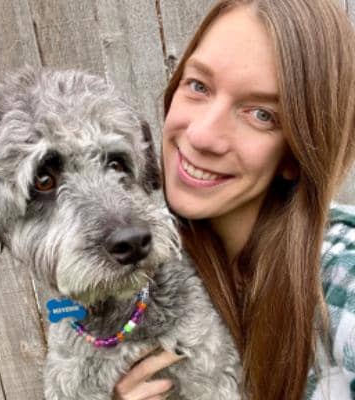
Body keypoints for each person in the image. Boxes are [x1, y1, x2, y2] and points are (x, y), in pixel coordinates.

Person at [113, 0, 355, 399]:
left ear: (296, 154)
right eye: (198, 86)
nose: (202, 135)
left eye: (261, 114)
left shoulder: (338, 276)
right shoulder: (138, 258)